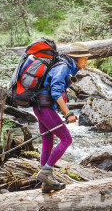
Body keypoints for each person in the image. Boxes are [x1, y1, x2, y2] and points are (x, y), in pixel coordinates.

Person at [35, 42, 92, 192]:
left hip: (40, 106)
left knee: (47, 141)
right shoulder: (63, 67)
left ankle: (46, 183)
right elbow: (55, 92)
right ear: (77, 58)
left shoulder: (65, 66)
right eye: (85, 58)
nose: (86, 61)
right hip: (45, 107)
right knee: (67, 139)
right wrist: (68, 113)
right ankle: (46, 172)